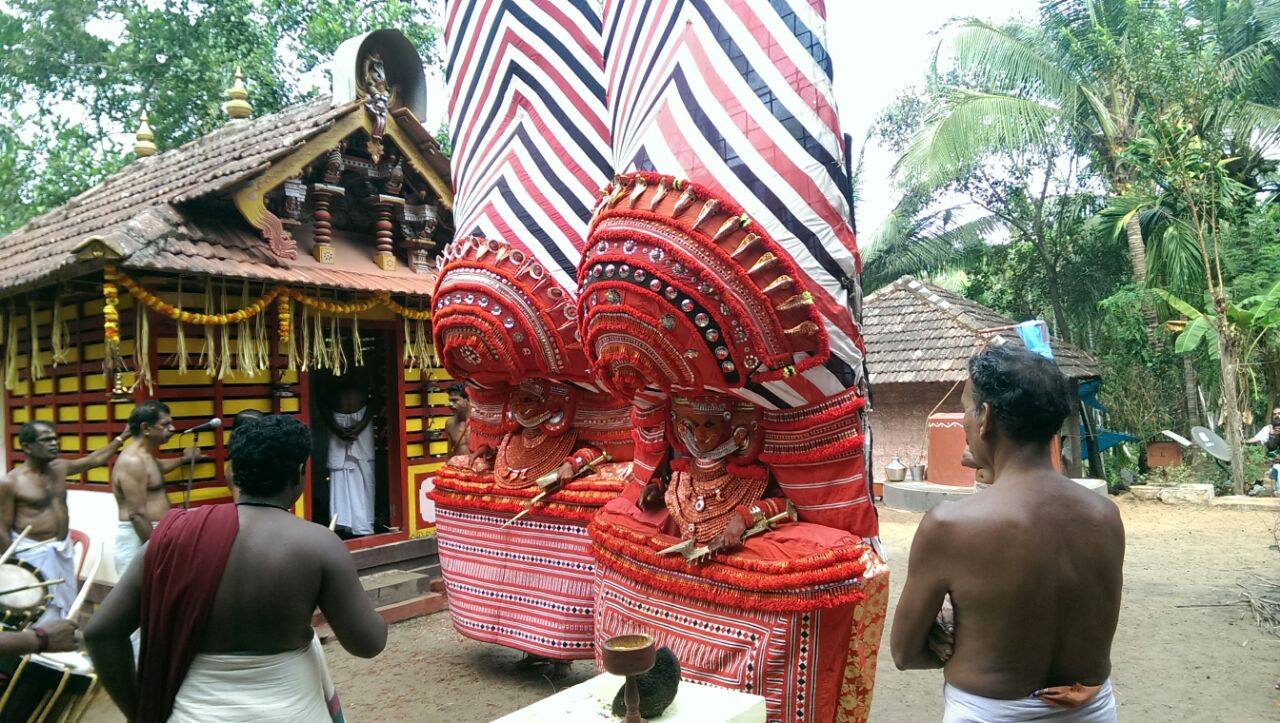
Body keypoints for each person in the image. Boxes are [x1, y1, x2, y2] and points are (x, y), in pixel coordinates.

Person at [85, 414, 386, 723]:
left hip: (193, 714)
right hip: (290, 711)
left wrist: (139, 714)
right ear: (299, 473)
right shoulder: (318, 544)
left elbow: (100, 632)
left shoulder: (175, 536)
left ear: (233, 473)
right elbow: (368, 643)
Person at [891, 345, 1125, 722]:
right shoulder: (1104, 515)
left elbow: (906, 654)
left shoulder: (950, 525)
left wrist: (954, 637)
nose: (964, 422)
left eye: (968, 408)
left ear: (985, 418)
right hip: (1091, 711)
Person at [0, 421, 129, 622]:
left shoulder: (59, 467)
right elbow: (2, 528)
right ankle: (35, 648)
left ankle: (60, 646)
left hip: (62, 550)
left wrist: (122, 437)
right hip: (31, 554)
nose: (54, 443)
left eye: (54, 438)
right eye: (46, 440)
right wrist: (16, 569)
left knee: (65, 606)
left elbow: (95, 459)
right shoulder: (11, 482)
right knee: (38, 609)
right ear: (27, 446)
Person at [110, 401, 202, 577]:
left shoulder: (145, 456)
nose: (172, 428)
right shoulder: (133, 461)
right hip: (140, 539)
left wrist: (184, 459)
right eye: (165, 424)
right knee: (141, 601)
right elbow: (136, 514)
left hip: (152, 536)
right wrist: (157, 550)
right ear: (146, 428)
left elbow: (159, 467)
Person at [320, 377, 377, 536]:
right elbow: (321, 400)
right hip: (335, 419)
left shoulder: (361, 367)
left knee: (364, 468)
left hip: (362, 418)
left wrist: (361, 425)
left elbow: (375, 398)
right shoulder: (328, 367)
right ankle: (341, 522)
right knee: (340, 470)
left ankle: (363, 523)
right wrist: (334, 427)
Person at [445, 383, 470, 455]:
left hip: (478, 465)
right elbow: (450, 454)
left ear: (467, 400)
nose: (451, 404)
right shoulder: (450, 424)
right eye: (450, 401)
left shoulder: (480, 423)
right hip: (457, 464)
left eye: (455, 400)